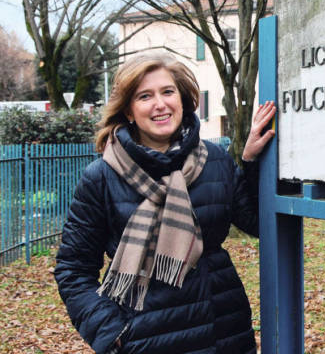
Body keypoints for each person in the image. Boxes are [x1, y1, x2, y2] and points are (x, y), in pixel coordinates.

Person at [54, 54, 275, 353]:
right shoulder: (102, 177)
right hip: (146, 340)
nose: (160, 104)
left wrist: (250, 162)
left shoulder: (215, 161)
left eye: (167, 92)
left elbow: (258, 223)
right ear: (129, 111)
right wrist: (113, 332)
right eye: (145, 96)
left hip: (223, 332)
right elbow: (74, 270)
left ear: (182, 100)